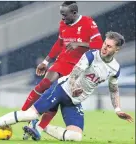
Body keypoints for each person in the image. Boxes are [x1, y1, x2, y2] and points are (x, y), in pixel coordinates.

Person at [0, 31, 133, 142]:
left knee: (76, 137)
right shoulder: (91, 55)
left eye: (109, 46)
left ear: (117, 49)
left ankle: (40, 126)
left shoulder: (115, 68)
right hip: (61, 90)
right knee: (29, 114)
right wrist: (73, 86)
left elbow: (114, 89)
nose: (104, 48)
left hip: (74, 101)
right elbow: (74, 73)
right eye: (105, 44)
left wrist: (118, 109)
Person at [21, 1, 103, 139]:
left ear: (74, 13)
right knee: (45, 83)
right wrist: (46, 61)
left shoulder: (88, 23)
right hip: (63, 61)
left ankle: (38, 128)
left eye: (65, 15)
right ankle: (24, 113)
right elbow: (59, 43)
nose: (62, 18)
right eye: (61, 14)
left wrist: (80, 44)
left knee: (56, 94)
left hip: (78, 66)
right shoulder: (63, 24)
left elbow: (99, 45)